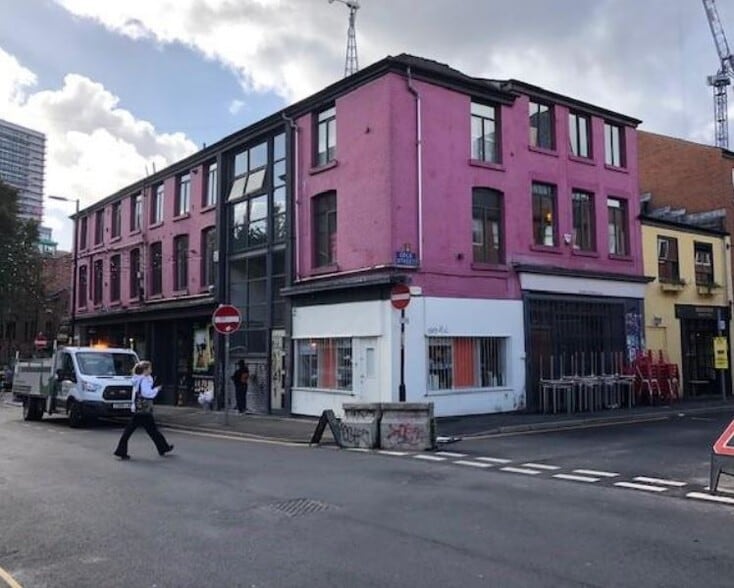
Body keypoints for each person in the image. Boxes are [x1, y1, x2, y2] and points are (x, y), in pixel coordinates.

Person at [114, 360, 174, 460]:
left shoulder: (137, 379)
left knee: (150, 430)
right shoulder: (144, 380)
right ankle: (121, 451)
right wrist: (157, 390)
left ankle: (163, 447)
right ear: (145, 370)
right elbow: (147, 393)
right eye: (150, 368)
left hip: (139, 408)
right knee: (147, 430)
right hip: (144, 409)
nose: (151, 370)